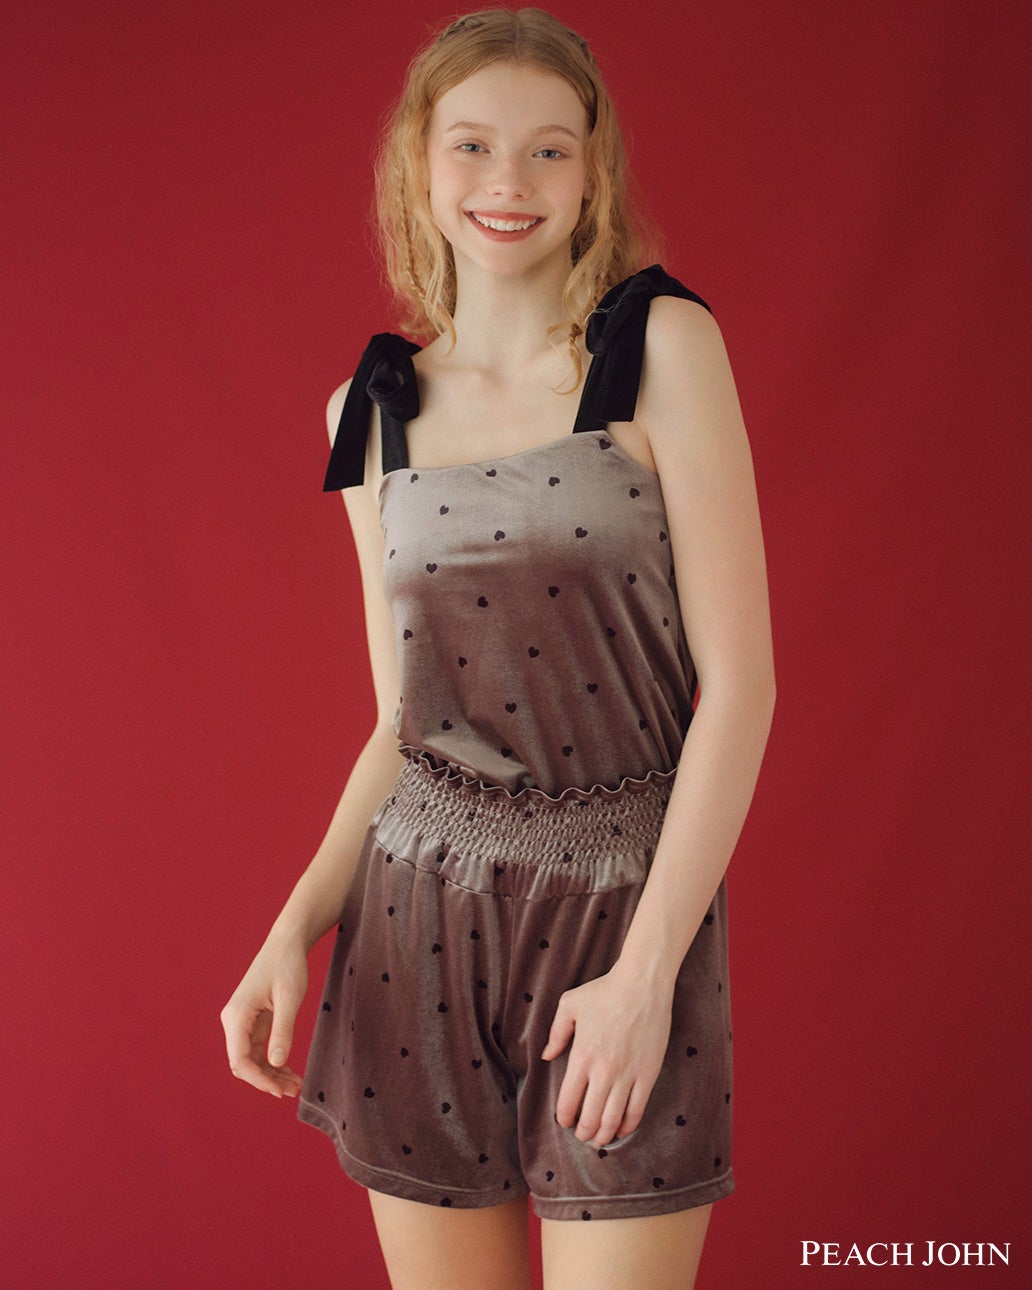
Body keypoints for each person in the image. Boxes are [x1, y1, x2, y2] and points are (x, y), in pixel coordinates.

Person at [221, 8, 775, 1288]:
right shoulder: (372, 413)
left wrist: (646, 975)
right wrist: (294, 927)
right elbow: (399, 730)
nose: (507, 181)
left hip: (624, 917)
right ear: (420, 165)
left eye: (547, 150)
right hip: (412, 926)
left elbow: (742, 688)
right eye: (471, 145)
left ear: (592, 174)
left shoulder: (662, 350)